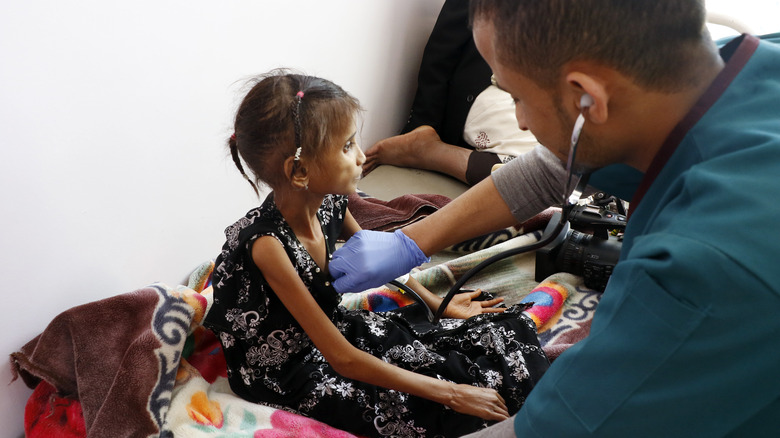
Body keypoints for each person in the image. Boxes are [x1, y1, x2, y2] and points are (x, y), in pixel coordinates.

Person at [331, 1, 780, 436]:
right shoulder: (732, 69)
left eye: (517, 97)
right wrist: (412, 240)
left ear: (590, 99)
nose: (521, 123)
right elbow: (552, 167)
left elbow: (555, 427)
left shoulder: (702, 273)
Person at [203, 70, 551, 438]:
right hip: (293, 371)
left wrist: (438, 305)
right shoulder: (268, 247)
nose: (361, 156)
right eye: (346, 147)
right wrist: (453, 394)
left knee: (503, 335)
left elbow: (381, 257)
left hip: (334, 332)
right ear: (300, 171)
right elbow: (342, 359)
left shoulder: (331, 201)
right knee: (453, 414)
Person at [362, 0, 540, 186]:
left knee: (557, 169)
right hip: (494, 87)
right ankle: (429, 152)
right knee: (533, 175)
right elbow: (444, 44)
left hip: (536, 90)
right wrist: (423, 124)